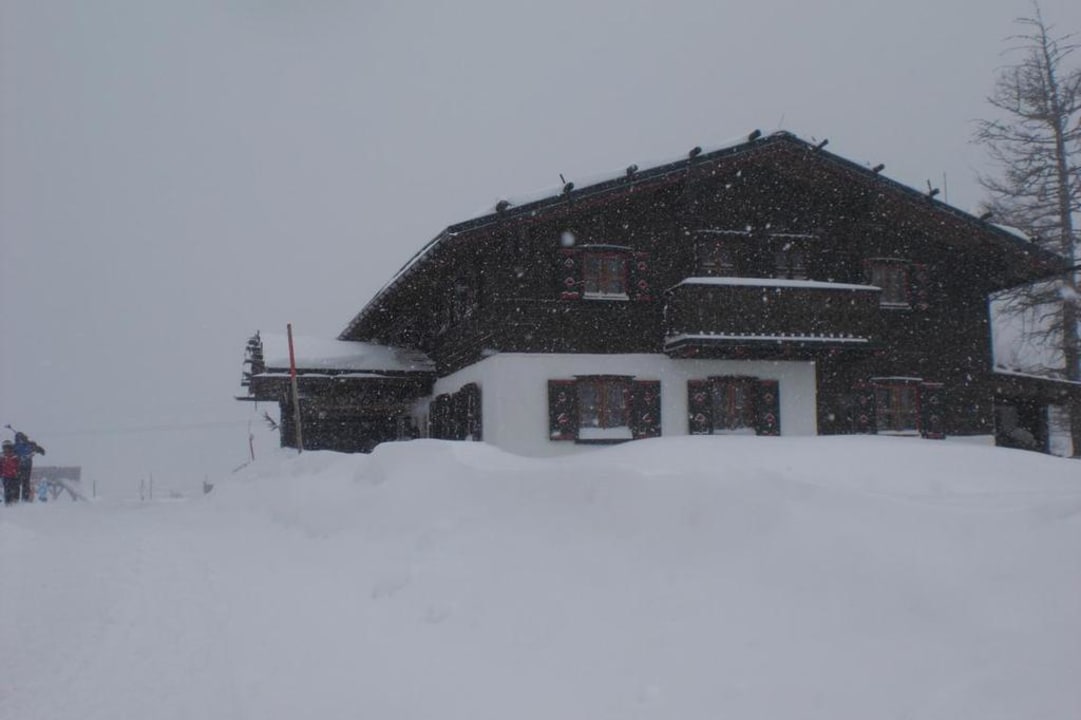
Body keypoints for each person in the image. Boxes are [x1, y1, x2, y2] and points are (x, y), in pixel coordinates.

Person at [12, 431, 45, 503]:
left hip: (20, 467)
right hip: (25, 466)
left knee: (18, 483)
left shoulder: (17, 446)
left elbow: (10, 453)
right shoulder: (28, 444)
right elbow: (39, 449)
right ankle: (24, 499)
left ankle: (17, 499)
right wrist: (40, 450)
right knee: (24, 483)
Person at [1, 441, 20, 505]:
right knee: (7, 490)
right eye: (5, 448)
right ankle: (8, 502)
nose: (6, 449)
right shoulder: (2, 457)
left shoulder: (15, 456)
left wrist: (17, 473)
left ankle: (15, 500)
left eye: (8, 448)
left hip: (14, 475)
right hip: (5, 476)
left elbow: (18, 466)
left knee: (15, 489)